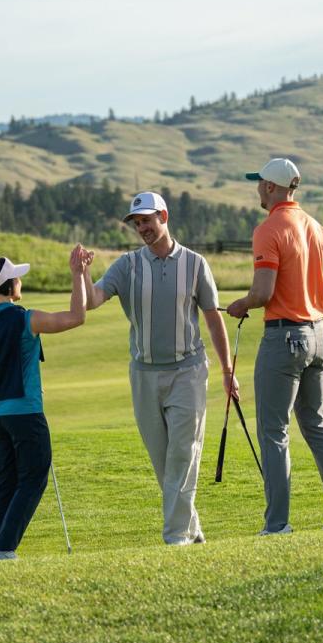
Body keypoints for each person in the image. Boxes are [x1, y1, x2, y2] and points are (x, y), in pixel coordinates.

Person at [85, 191, 238, 545]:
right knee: (164, 462)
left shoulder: (196, 263)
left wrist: (227, 371)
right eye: (137, 223)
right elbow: (92, 300)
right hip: (144, 375)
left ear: (164, 217)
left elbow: (213, 318)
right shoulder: (127, 265)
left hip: (188, 371)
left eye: (147, 220)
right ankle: (193, 530)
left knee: (183, 454)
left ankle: (175, 537)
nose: (142, 228)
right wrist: (81, 273)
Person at [226, 158, 323, 535]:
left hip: (284, 337)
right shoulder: (319, 229)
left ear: (271, 187)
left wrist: (241, 304)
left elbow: (263, 292)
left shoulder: (268, 229)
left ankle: (278, 525)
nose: (257, 189)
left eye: (260, 184)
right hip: (318, 334)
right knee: (317, 425)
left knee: (273, 432)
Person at [0, 246, 90, 561]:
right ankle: (2, 549)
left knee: (7, 481)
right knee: (34, 476)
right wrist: (78, 275)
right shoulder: (26, 319)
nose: (21, 283)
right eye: (17, 279)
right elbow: (76, 317)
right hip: (25, 413)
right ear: (8, 287)